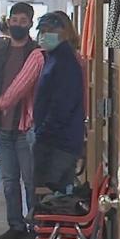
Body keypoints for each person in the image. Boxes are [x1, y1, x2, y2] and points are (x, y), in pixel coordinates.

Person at [0, 2, 41, 239]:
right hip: (2, 126)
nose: (18, 25)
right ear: (8, 21)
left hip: (27, 127)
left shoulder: (37, 53)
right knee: (9, 181)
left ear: (31, 24)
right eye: (15, 20)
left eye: (23, 21)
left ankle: (36, 226)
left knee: (31, 179)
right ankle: (15, 225)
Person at [32, 11, 86, 195]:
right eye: (41, 31)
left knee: (50, 196)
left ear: (63, 32)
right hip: (56, 139)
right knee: (50, 194)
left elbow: (62, 105)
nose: (43, 36)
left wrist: (43, 132)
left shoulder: (64, 62)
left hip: (58, 142)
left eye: (48, 31)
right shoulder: (54, 58)